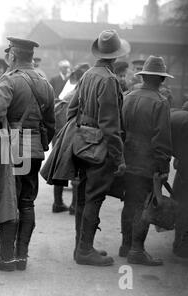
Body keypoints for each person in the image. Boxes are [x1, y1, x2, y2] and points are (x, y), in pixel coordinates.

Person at [0, 37, 55, 271]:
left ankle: (5, 257)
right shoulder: (45, 83)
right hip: (34, 150)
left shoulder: (9, 80)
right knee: (27, 202)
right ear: (30, 56)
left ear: (13, 56)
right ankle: (21, 256)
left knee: (8, 200)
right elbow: (51, 123)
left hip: (10, 148)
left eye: (9, 54)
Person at [67, 29, 129, 266]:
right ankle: (85, 250)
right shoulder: (110, 80)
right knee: (94, 198)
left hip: (82, 142)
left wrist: (81, 131)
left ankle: (81, 247)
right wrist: (119, 157)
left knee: (82, 196)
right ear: (115, 56)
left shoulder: (87, 74)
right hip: (101, 145)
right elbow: (111, 125)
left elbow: (72, 109)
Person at [120, 55, 173, 266]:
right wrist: (163, 166)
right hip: (147, 161)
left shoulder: (128, 96)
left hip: (127, 158)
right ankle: (137, 250)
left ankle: (125, 245)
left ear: (143, 77)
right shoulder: (160, 102)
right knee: (144, 204)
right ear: (161, 79)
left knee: (130, 202)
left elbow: (120, 130)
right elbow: (162, 139)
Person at [52, 63, 90, 215]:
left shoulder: (66, 95)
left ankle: (57, 202)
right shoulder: (83, 95)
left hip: (60, 136)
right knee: (77, 170)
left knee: (59, 168)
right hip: (75, 136)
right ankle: (74, 205)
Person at [171, 102, 188, 258]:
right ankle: (181, 245)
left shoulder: (176, 115)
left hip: (182, 168)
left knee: (181, 205)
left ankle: (179, 242)